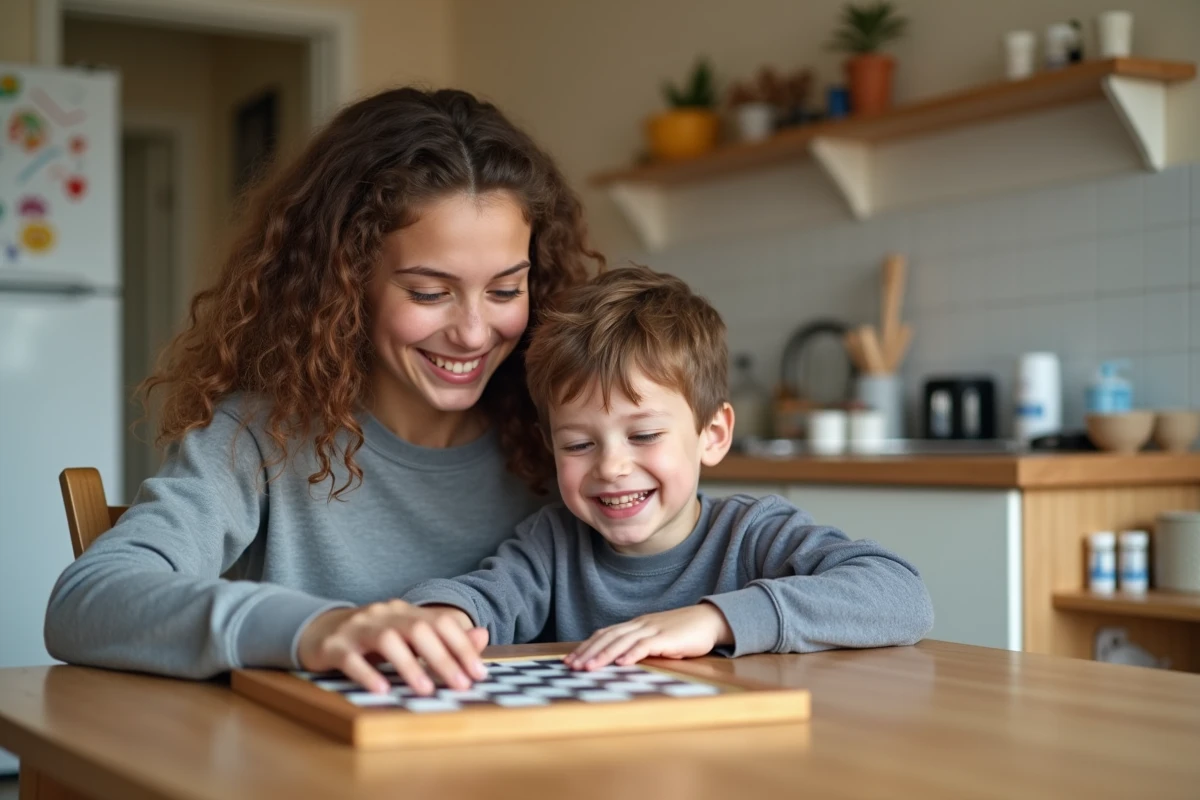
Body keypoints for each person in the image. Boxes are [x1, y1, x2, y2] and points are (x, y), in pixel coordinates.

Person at [43, 87, 603, 694]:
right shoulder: (260, 438)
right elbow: (86, 600)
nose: (472, 332)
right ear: (346, 280)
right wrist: (315, 627)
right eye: (428, 292)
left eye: (503, 291)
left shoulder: (572, 440)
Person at [391, 267, 934, 693]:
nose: (611, 467)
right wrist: (444, 618)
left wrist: (715, 620)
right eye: (579, 444)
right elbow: (483, 598)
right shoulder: (552, 545)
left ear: (713, 433)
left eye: (644, 435)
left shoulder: (753, 532)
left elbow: (902, 596)